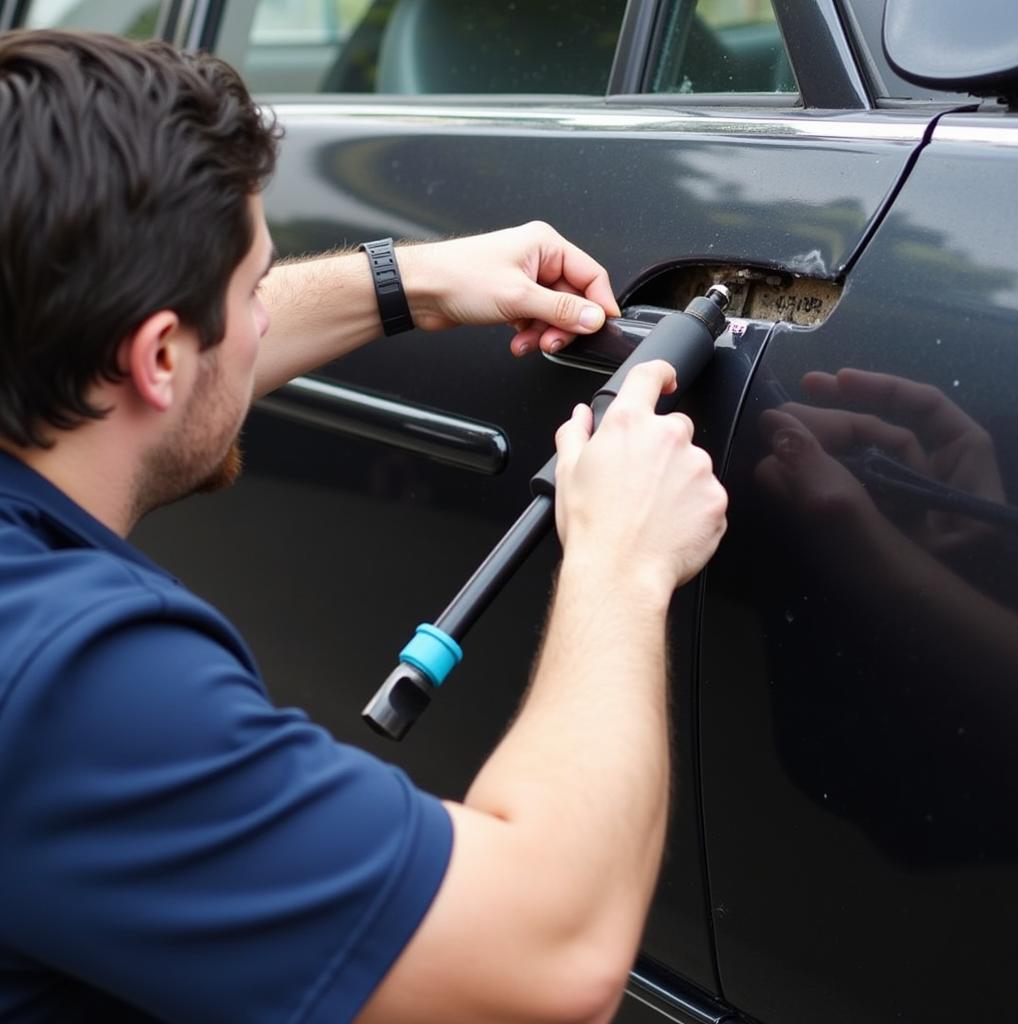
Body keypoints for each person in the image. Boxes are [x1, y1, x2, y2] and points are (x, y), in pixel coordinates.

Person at [0, 30, 727, 1024]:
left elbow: (183, 351)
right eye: (255, 286)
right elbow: (546, 961)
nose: (266, 312)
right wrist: (621, 557)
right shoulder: (66, 680)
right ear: (157, 357)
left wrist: (406, 285)